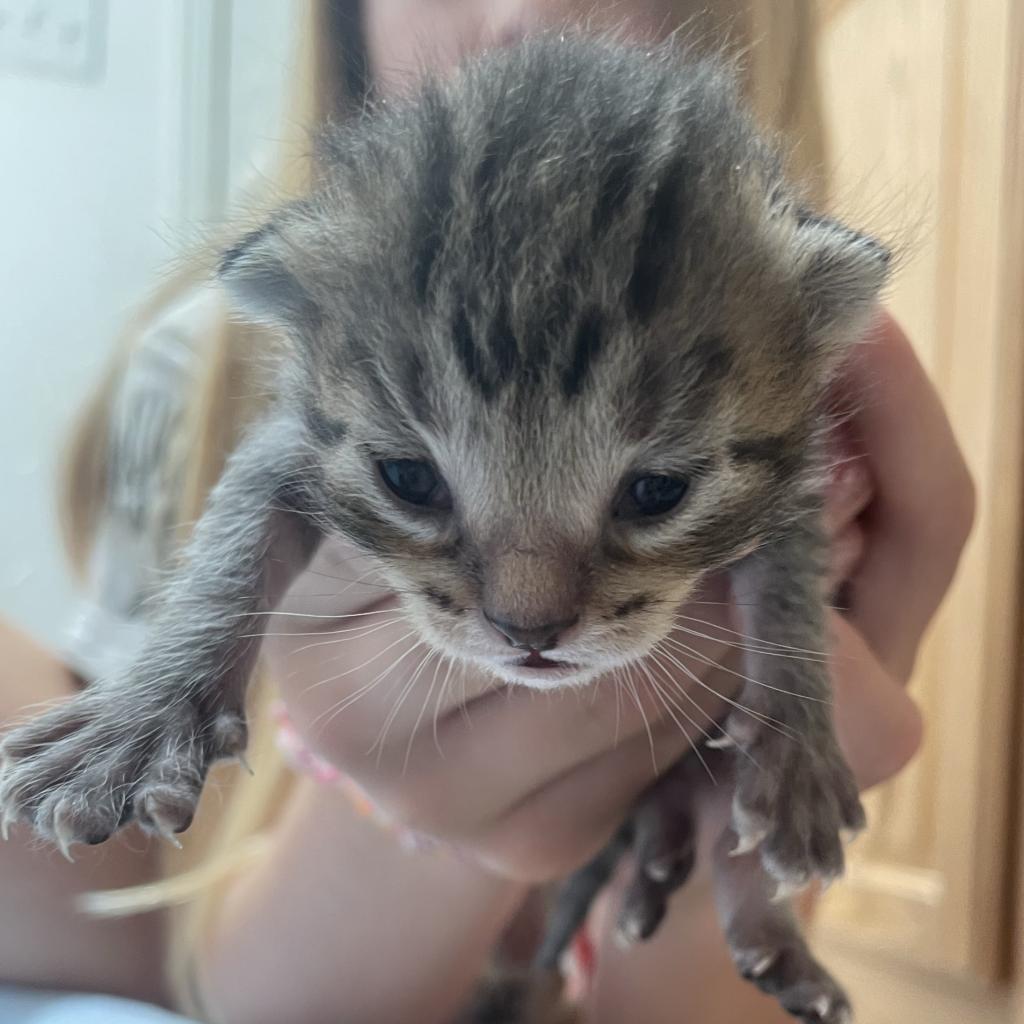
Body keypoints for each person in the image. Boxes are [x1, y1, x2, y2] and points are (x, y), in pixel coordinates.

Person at [0, 1, 973, 1022]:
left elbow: (781, 519)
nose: (527, 611)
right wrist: (194, 702)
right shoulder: (198, 366)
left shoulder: (781, 345)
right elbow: (209, 964)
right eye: (416, 480)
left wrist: (782, 746)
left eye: (652, 488)